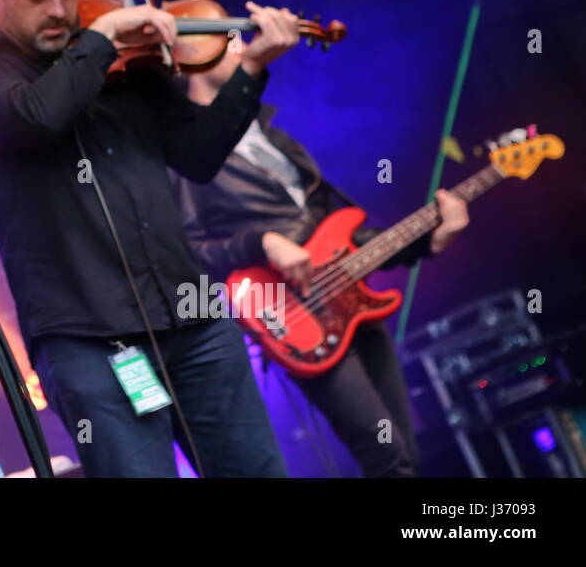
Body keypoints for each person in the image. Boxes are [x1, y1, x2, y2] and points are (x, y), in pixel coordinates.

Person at [0, 0, 303, 477]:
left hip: (192, 316)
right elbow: (37, 117)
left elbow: (197, 157)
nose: (60, 10)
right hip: (85, 341)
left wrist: (249, 67)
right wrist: (100, 39)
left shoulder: (122, 57)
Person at [173, 49, 469, 476]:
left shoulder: (272, 137)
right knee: (387, 456)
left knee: (405, 454)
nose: (241, 44)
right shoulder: (188, 154)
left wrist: (427, 241)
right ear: (189, 55)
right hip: (295, 315)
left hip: (351, 301)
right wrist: (264, 241)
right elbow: (188, 251)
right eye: (226, 34)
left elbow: (340, 235)